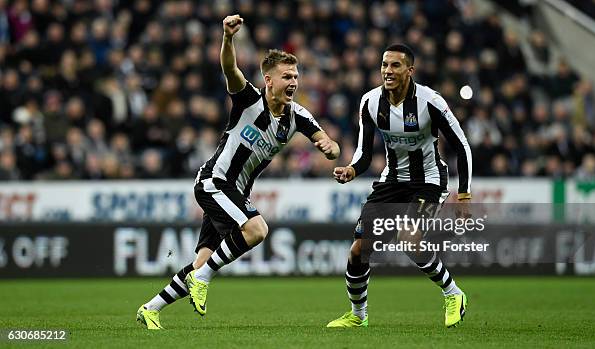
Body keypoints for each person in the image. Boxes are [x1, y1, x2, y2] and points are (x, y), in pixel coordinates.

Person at [137, 14, 340, 330]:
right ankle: (203, 279)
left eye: (296, 76)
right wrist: (228, 38)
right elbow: (230, 69)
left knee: (202, 260)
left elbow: (328, 140)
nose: (294, 82)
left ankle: (150, 308)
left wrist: (329, 147)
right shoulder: (248, 100)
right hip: (214, 182)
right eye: (287, 76)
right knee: (257, 230)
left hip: (233, 193)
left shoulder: (298, 116)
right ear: (269, 80)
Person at [326, 44, 472, 328]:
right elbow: (365, 153)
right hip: (391, 180)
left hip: (428, 181)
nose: (387, 71)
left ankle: (453, 293)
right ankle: (358, 316)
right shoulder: (369, 102)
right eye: (384, 65)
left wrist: (464, 195)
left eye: (395, 66)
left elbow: (461, 146)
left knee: (409, 236)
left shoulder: (431, 102)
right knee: (358, 250)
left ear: (410, 71)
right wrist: (352, 169)